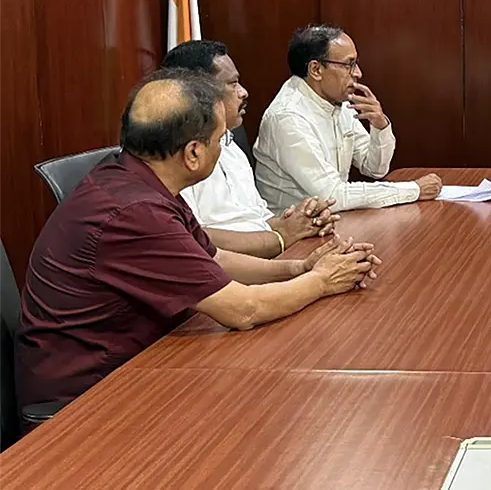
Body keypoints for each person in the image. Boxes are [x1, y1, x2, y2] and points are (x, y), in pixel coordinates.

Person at [16, 70, 382, 410]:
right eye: (219, 139)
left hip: (137, 366)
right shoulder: (135, 212)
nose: (223, 147)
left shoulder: (137, 180)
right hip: (83, 402)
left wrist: (298, 267)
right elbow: (243, 309)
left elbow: (213, 259)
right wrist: (321, 281)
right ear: (192, 153)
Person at [161, 40, 339, 258]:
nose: (243, 93)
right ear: (199, 92)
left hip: (270, 255)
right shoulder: (172, 158)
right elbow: (193, 237)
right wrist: (281, 237)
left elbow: (256, 218)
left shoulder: (230, 144)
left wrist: (301, 221)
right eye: (232, 84)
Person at [254, 25, 441, 212]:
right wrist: (414, 189)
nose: (358, 73)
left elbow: (375, 168)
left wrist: (379, 126)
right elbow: (333, 196)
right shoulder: (288, 118)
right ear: (316, 69)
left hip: (330, 221)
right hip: (295, 234)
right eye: (348, 65)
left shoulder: (338, 103)